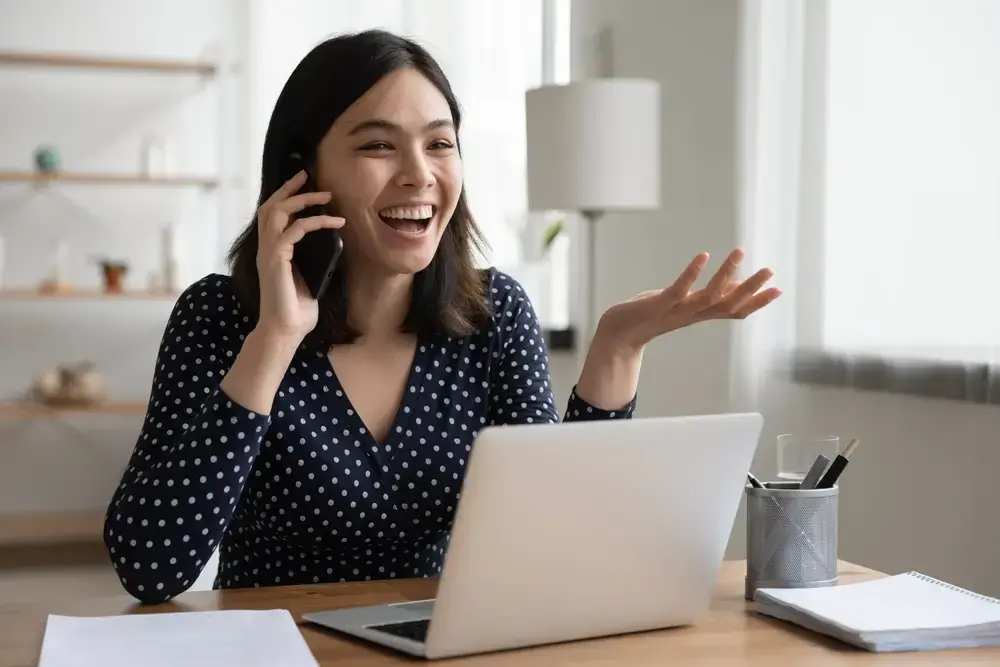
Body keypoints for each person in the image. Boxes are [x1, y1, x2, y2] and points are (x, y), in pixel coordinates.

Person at [102, 29, 780, 605]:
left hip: (440, 646)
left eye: (439, 143)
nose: (419, 173)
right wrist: (275, 337)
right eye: (377, 146)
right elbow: (151, 567)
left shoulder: (497, 314)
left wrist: (615, 351)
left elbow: (552, 542)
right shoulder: (218, 319)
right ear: (300, 172)